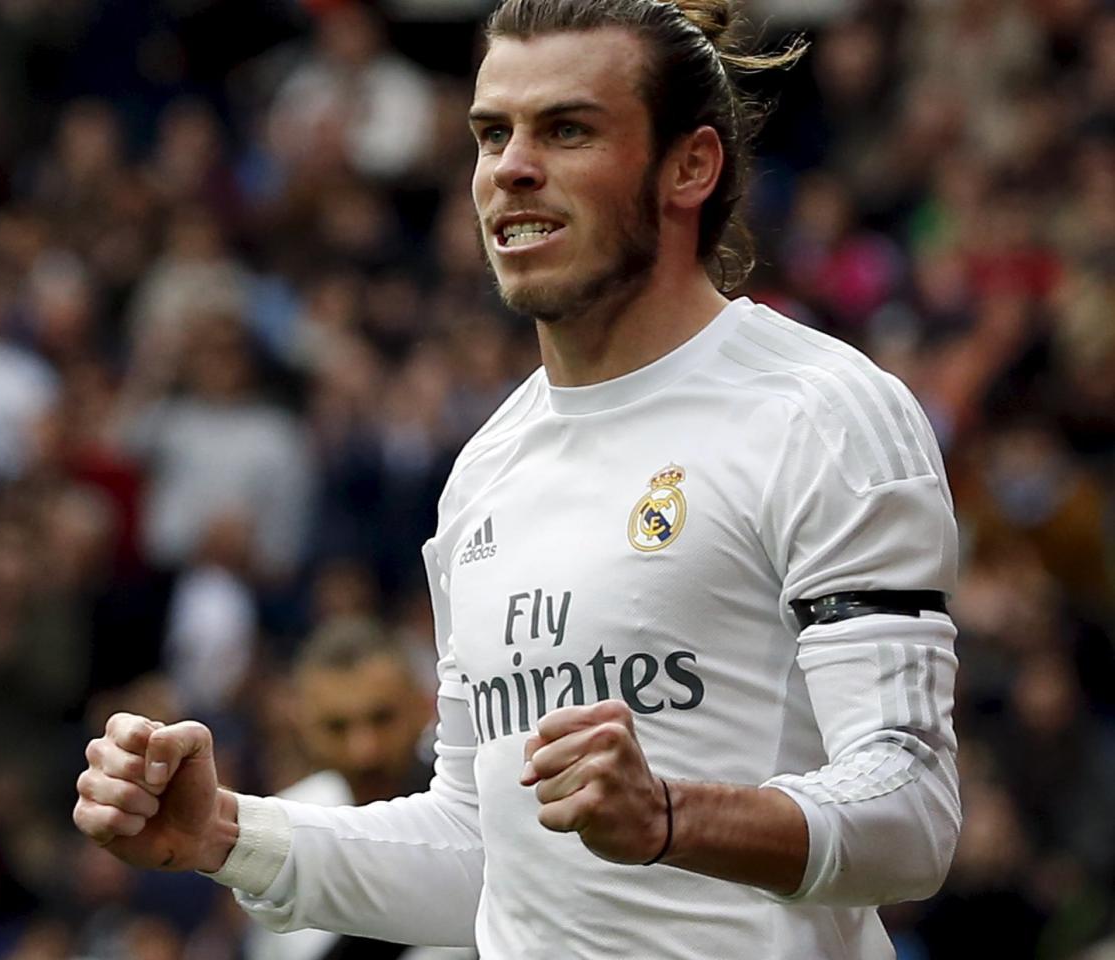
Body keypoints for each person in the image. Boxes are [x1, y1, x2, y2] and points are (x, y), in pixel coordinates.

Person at [73, 1, 962, 957]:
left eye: (567, 129)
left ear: (690, 167)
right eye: (492, 133)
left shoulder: (820, 414)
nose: (511, 167)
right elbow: (478, 851)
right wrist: (225, 835)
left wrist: (670, 816)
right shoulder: (487, 470)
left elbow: (910, 810)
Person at [252, 620, 472, 960]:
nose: (364, 751)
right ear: (302, 724)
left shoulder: (473, 817)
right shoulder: (278, 826)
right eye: (336, 727)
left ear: (424, 707)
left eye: (381, 718)